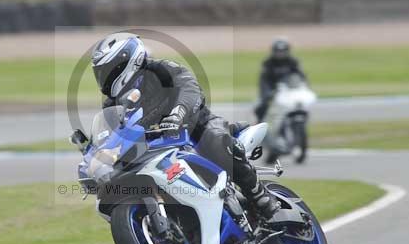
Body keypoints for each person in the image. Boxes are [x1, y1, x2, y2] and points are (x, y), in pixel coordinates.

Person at [90, 32, 279, 219]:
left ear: (127, 62)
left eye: (109, 70)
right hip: (152, 148)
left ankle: (259, 196)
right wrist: (95, 159)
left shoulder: (161, 70)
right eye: (100, 73)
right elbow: (110, 136)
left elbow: (190, 90)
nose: (104, 77)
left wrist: (177, 114)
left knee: (216, 141)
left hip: (195, 128)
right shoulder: (112, 104)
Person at [254, 38, 307, 123]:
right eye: (278, 51)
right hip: (272, 91)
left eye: (283, 51)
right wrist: (266, 94)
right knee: (261, 108)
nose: (280, 54)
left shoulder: (293, 62)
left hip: (289, 90)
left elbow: (301, 76)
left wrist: (303, 87)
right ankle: (261, 127)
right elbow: (264, 81)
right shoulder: (268, 63)